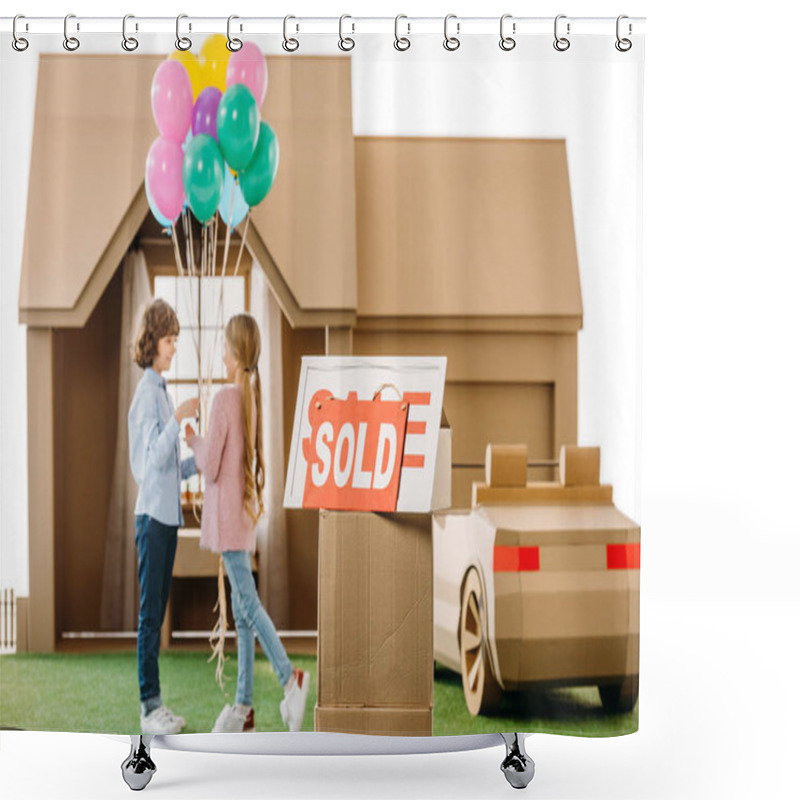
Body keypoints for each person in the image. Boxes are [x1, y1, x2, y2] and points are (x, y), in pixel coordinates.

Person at [187, 313, 309, 733]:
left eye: (225, 349)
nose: (222, 356)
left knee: (250, 608)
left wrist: (191, 436)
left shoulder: (225, 399)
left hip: (228, 521)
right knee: (242, 613)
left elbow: (210, 465)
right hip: (242, 519)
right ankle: (243, 707)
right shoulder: (249, 398)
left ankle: (290, 678)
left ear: (237, 354)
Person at [128, 298, 200, 735]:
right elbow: (151, 461)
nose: (174, 348)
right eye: (171, 340)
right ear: (153, 341)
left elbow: (170, 468)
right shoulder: (147, 395)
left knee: (156, 611)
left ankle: (155, 705)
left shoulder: (161, 390)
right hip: (153, 520)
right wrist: (177, 419)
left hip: (166, 520)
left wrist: (199, 462)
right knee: (150, 615)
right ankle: (149, 707)